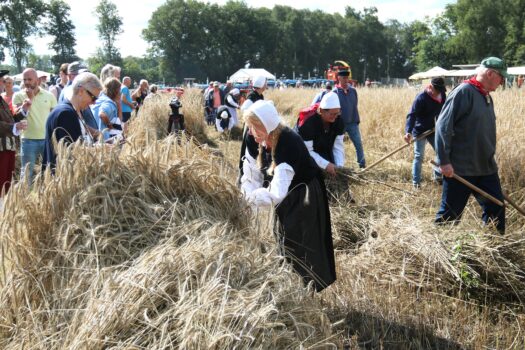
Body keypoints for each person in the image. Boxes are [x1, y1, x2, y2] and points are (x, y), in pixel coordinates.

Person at [240, 100, 336, 291]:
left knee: (302, 242)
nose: (250, 132)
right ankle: (290, 285)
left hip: (304, 195)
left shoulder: (287, 143)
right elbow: (250, 172)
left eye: (253, 127)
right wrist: (244, 194)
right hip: (288, 195)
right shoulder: (256, 137)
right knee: (283, 238)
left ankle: (306, 289)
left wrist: (248, 200)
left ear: (265, 126)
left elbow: (276, 193)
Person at [435, 57, 507, 233]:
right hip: (461, 169)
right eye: (501, 77)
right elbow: (443, 127)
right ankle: (435, 252)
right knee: (450, 216)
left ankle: (493, 249)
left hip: (486, 168)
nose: (502, 82)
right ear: (490, 73)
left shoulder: (486, 96)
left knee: (496, 209)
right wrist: (444, 161)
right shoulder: (464, 92)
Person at [42, 73, 103, 170]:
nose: (94, 102)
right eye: (93, 97)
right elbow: (71, 152)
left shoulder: (75, 110)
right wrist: (100, 149)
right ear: (81, 91)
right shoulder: (65, 114)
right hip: (63, 179)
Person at [13, 68, 57, 183]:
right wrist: (30, 98)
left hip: (46, 140)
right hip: (27, 140)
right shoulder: (18, 96)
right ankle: (24, 199)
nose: (27, 82)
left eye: (30, 79)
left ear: (37, 81)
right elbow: (17, 117)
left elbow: (54, 117)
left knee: (50, 171)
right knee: (27, 174)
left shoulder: (49, 96)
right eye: (24, 79)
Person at [404, 77, 446, 188]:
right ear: (431, 87)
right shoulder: (421, 98)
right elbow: (412, 115)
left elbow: (445, 112)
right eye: (437, 90)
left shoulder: (442, 96)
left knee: (440, 152)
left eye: (441, 90)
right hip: (420, 131)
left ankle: (437, 176)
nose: (439, 92)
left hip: (433, 129)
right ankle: (416, 183)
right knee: (419, 156)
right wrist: (408, 131)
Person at [297, 91, 345, 176]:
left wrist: (340, 168)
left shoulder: (339, 121)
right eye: (332, 114)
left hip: (324, 150)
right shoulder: (308, 122)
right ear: (322, 110)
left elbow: (338, 146)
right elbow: (307, 151)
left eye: (337, 113)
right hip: (304, 155)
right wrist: (325, 164)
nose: (335, 116)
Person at [0, 70, 28, 195]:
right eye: (2, 81)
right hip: (2, 147)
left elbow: (10, 117)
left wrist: (23, 111)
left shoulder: (1, 99)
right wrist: (14, 126)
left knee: (6, 181)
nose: (3, 83)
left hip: (8, 146)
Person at [237, 76, 267, 183]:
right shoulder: (252, 96)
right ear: (262, 85)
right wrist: (252, 120)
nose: (266, 85)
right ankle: (243, 176)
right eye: (265, 83)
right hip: (251, 128)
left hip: (257, 128)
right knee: (246, 151)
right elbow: (244, 108)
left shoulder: (259, 96)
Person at [334, 69, 366, 168]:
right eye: (344, 78)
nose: (346, 80)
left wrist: (356, 120)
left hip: (353, 122)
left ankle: (362, 165)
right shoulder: (335, 92)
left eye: (347, 78)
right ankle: (338, 166)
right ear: (339, 78)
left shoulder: (353, 91)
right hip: (340, 123)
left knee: (358, 144)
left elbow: (355, 104)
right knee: (337, 146)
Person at [91, 78, 122, 142]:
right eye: (119, 89)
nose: (120, 92)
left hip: (96, 138)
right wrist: (110, 126)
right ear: (116, 90)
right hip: (105, 139)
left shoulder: (101, 99)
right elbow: (102, 114)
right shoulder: (109, 103)